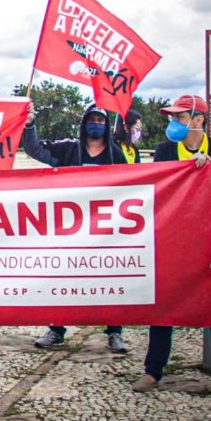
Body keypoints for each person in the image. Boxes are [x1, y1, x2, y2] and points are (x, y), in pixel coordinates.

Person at [133, 95, 211, 398]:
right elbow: (156, 190)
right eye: (172, 118)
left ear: (199, 119)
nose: (173, 124)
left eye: (180, 117)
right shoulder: (165, 151)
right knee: (165, 308)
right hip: (173, 243)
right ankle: (153, 371)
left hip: (209, 245)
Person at [22, 101, 129, 352]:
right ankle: (57, 329)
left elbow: (135, 186)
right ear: (84, 124)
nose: (96, 124)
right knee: (62, 278)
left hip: (106, 231)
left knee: (110, 279)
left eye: (101, 121)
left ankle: (115, 332)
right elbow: (35, 149)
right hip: (71, 229)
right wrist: (29, 125)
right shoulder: (69, 149)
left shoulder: (116, 154)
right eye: (92, 120)